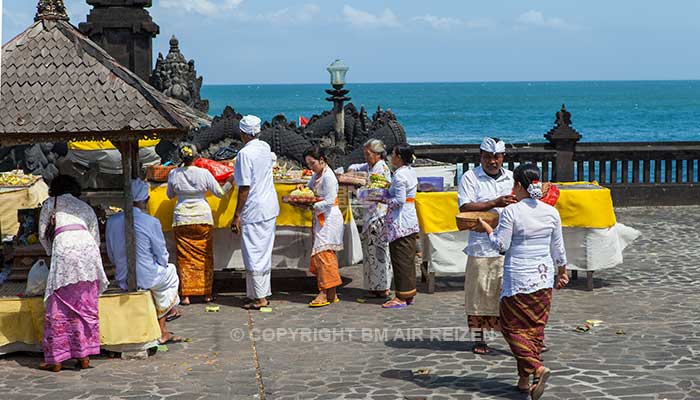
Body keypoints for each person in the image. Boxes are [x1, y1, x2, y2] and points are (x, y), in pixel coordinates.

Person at [479, 163, 569, 400]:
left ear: (518, 185)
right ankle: (524, 380)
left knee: (511, 327)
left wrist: (488, 229)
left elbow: (501, 246)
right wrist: (563, 271)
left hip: (518, 277)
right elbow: (558, 247)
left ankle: (536, 367)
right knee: (535, 329)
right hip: (543, 277)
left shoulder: (512, 212)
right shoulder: (551, 212)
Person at [38, 175, 109, 372]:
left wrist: (51, 252)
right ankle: (84, 356)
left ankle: (57, 360)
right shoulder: (85, 207)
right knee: (84, 302)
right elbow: (96, 239)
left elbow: (43, 232)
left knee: (59, 303)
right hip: (87, 249)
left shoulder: (51, 203)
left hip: (64, 248)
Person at [106, 179, 183, 345]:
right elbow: (161, 254)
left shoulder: (112, 221)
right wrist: (159, 265)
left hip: (122, 276)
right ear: (146, 200)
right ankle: (162, 329)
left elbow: (111, 254)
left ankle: (159, 322)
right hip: (147, 276)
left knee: (159, 276)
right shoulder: (151, 222)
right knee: (170, 274)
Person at [458, 137, 516, 354]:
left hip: (507, 244)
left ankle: (518, 337)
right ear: (481, 156)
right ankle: (478, 338)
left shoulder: (511, 177)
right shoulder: (470, 177)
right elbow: (465, 206)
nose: (493, 161)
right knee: (478, 292)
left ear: (503, 157)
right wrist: (494, 203)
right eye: (488, 157)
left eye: (497, 157)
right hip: (481, 245)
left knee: (509, 293)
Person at [167, 143, 228, 305]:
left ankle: (186, 295)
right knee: (204, 256)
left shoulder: (174, 173)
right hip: (202, 217)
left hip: (182, 218)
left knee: (184, 257)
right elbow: (220, 194)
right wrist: (231, 182)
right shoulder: (204, 173)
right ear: (195, 157)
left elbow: (169, 195)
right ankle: (206, 293)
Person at [231, 115, 280, 310]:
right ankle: (256, 293)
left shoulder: (244, 154)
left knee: (253, 253)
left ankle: (260, 298)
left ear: (242, 133)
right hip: (269, 206)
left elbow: (244, 187)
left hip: (254, 208)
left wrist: (236, 215)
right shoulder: (265, 147)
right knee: (263, 252)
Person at [348, 139, 393, 298]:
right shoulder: (370, 166)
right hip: (372, 215)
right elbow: (355, 167)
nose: (366, 157)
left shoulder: (381, 169)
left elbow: (373, 194)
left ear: (377, 154)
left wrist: (356, 190)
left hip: (379, 215)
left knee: (379, 251)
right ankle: (375, 285)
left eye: (368, 154)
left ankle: (383, 286)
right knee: (371, 252)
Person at [304, 145, 344, 307]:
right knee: (323, 254)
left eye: (312, 163)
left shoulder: (329, 177)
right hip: (321, 217)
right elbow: (308, 188)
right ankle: (331, 292)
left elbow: (329, 201)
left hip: (329, 217)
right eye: (308, 164)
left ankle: (324, 291)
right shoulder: (317, 175)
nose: (310, 167)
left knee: (324, 254)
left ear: (322, 161)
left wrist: (312, 204)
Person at [381, 143, 420, 309]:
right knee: (407, 258)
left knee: (400, 258)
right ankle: (408, 293)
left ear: (399, 157)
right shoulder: (409, 172)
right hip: (409, 217)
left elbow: (399, 200)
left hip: (401, 219)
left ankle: (401, 296)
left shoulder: (399, 175)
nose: (392, 157)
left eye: (394, 154)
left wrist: (383, 200)